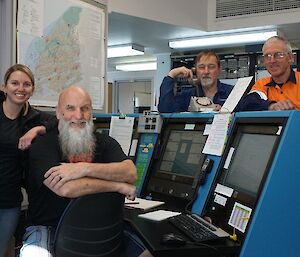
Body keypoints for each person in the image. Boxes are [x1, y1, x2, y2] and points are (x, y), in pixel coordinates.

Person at [20, 86, 152, 257]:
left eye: (85, 108)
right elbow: (66, 188)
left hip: (102, 228)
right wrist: (117, 186)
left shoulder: (105, 143)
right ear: (58, 113)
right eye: (70, 108)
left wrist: (82, 168)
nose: (79, 115)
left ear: (91, 112)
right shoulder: (43, 145)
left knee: (152, 252)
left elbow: (130, 172)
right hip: (50, 227)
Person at [0, 64, 56, 257]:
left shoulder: (33, 119)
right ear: (4, 86)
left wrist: (37, 130)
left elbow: (59, 122)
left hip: (9, 202)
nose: (20, 89)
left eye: (26, 84)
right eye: (14, 83)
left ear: (32, 89)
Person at [236, 36, 300, 111]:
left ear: (290, 58)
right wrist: (271, 106)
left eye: (278, 55)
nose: (272, 60)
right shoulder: (261, 84)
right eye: (268, 56)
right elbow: (248, 103)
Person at [158, 50, 233, 112]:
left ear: (219, 70)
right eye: (201, 67)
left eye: (211, 67)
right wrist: (172, 74)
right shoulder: (187, 95)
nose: (206, 71)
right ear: (196, 71)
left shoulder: (232, 93)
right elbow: (165, 110)